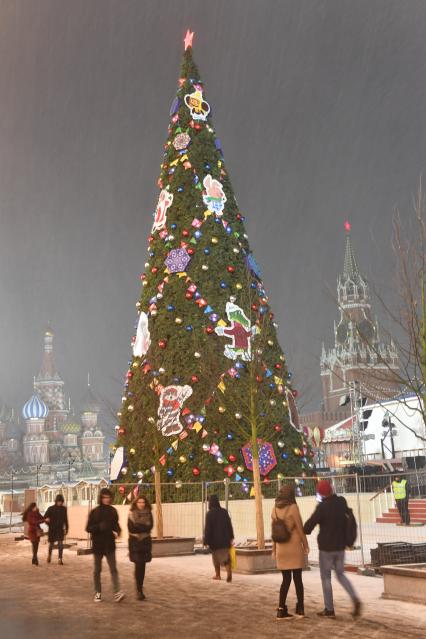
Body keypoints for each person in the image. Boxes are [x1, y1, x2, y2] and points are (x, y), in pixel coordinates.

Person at [304, 479, 361, 619]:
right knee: (341, 574)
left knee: (326, 578)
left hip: (326, 549)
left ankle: (329, 609)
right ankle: (355, 598)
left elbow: (308, 527)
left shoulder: (322, 507)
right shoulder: (341, 502)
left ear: (321, 493)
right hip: (340, 547)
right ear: (332, 489)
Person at [272, 484, 309, 619]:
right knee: (297, 579)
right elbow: (300, 528)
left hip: (281, 549)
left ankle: (281, 609)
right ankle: (300, 609)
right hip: (294, 548)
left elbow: (274, 531)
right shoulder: (293, 508)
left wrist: (274, 549)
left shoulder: (274, 509)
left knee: (285, 579)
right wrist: (306, 545)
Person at [86, 487, 125, 603]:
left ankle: (117, 592)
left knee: (113, 569)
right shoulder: (94, 512)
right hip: (98, 545)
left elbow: (115, 525)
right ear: (100, 498)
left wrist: (118, 531)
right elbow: (88, 528)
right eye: (104, 497)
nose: (107, 499)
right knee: (97, 570)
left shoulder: (113, 511)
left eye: (108, 497)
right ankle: (98, 592)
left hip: (109, 545)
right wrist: (98, 527)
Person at [128, 494, 154, 600]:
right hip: (135, 542)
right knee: (138, 565)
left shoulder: (149, 513)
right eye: (139, 502)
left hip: (145, 542)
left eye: (143, 502)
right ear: (136, 503)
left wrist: (139, 526)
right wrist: (144, 527)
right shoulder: (131, 514)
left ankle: (140, 587)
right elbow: (131, 528)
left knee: (142, 566)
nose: (141, 504)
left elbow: (150, 526)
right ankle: (139, 590)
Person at [203, 494, 234, 583]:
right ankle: (229, 573)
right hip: (225, 539)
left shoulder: (209, 514)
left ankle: (218, 575)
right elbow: (229, 525)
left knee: (216, 558)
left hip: (215, 541)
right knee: (226, 558)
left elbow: (208, 528)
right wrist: (231, 536)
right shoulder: (224, 512)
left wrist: (206, 540)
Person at [44, 494, 69, 565]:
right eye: (58, 501)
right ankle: (49, 555)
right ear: (56, 501)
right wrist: (48, 522)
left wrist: (67, 528)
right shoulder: (50, 508)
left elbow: (65, 519)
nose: (60, 503)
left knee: (60, 545)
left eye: (61, 502)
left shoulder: (64, 509)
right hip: (52, 529)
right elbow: (45, 517)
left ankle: (60, 559)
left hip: (60, 529)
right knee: (51, 544)